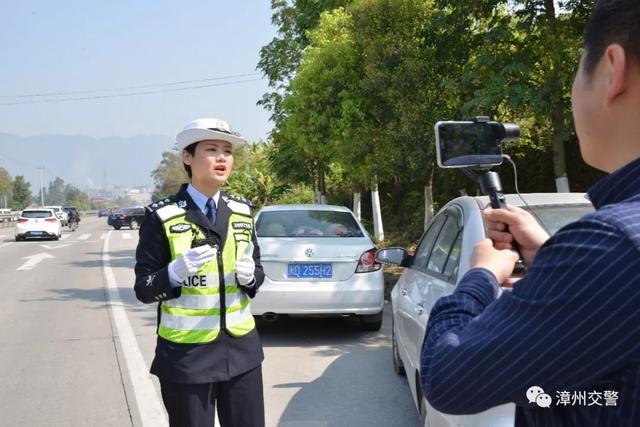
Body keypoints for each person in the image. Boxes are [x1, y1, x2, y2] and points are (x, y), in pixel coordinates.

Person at [420, 1, 640, 425]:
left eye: (580, 67)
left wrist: (479, 277)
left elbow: (446, 377)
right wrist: (552, 255)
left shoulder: (612, 244)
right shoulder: (610, 249)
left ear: (612, 69)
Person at [134, 118, 265, 427]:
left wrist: (252, 277)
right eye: (211, 149)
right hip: (186, 357)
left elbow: (257, 271)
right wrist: (172, 274)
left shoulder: (243, 211)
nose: (222, 158)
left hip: (242, 351)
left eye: (227, 151)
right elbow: (144, 288)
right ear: (187, 157)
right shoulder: (161, 217)